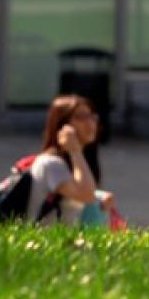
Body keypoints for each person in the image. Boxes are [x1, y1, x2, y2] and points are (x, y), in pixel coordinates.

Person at [29, 94, 116, 226]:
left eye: (92, 116)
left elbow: (81, 193)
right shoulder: (51, 163)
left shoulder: (74, 161)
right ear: (62, 126)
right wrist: (75, 151)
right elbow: (86, 195)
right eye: (81, 117)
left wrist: (100, 196)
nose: (90, 123)